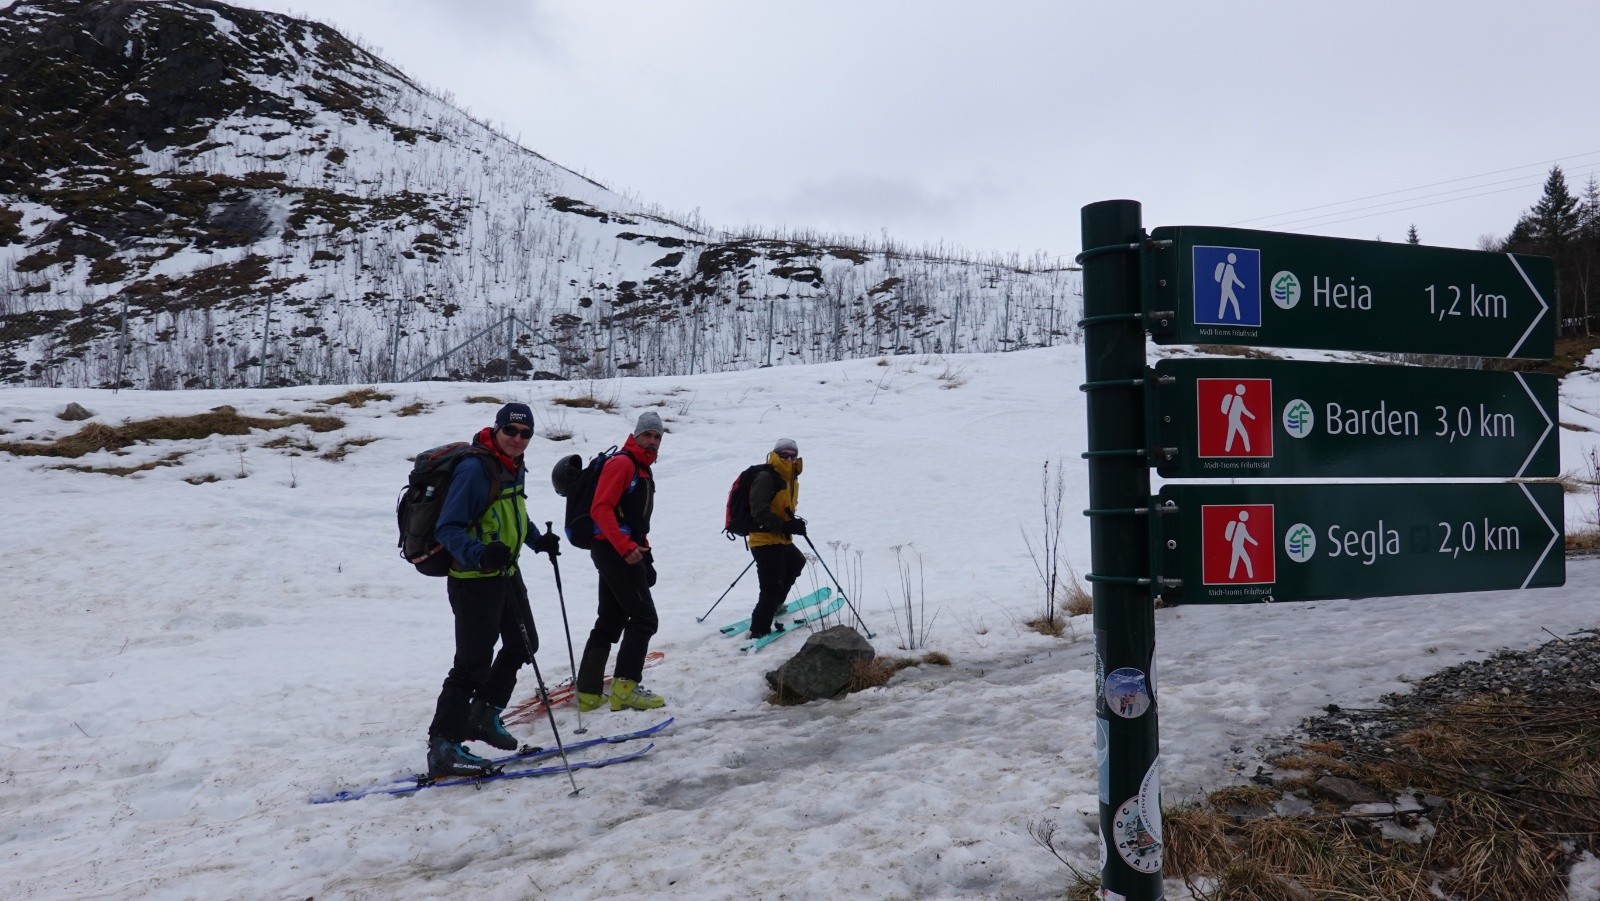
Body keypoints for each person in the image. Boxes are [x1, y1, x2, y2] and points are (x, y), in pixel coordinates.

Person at [426, 402, 562, 777]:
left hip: (506, 573)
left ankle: (484, 716)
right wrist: (481, 553)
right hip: (474, 580)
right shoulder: (474, 468)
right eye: (512, 432)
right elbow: (447, 528)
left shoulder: (511, 466)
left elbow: (512, 513)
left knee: (524, 644)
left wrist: (537, 540)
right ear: (497, 429)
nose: (518, 439)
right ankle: (443, 745)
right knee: (471, 664)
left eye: (526, 434)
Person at [575, 412, 666, 712]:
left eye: (657, 436)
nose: (652, 441)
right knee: (644, 618)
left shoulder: (640, 468)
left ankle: (588, 693)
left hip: (619, 548)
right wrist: (627, 549)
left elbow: (634, 520)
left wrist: (644, 550)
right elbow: (601, 509)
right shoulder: (623, 463)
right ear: (636, 435)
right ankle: (626, 687)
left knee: (611, 619)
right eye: (648, 435)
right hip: (614, 549)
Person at [745, 438, 807, 639]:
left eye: (792, 455)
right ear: (776, 455)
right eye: (784, 455)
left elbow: (781, 508)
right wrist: (787, 526)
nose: (789, 458)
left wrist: (793, 524)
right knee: (772, 585)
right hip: (763, 539)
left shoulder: (791, 477)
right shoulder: (766, 476)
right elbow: (759, 511)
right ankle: (759, 629)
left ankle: (776, 605)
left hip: (780, 537)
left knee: (797, 562)